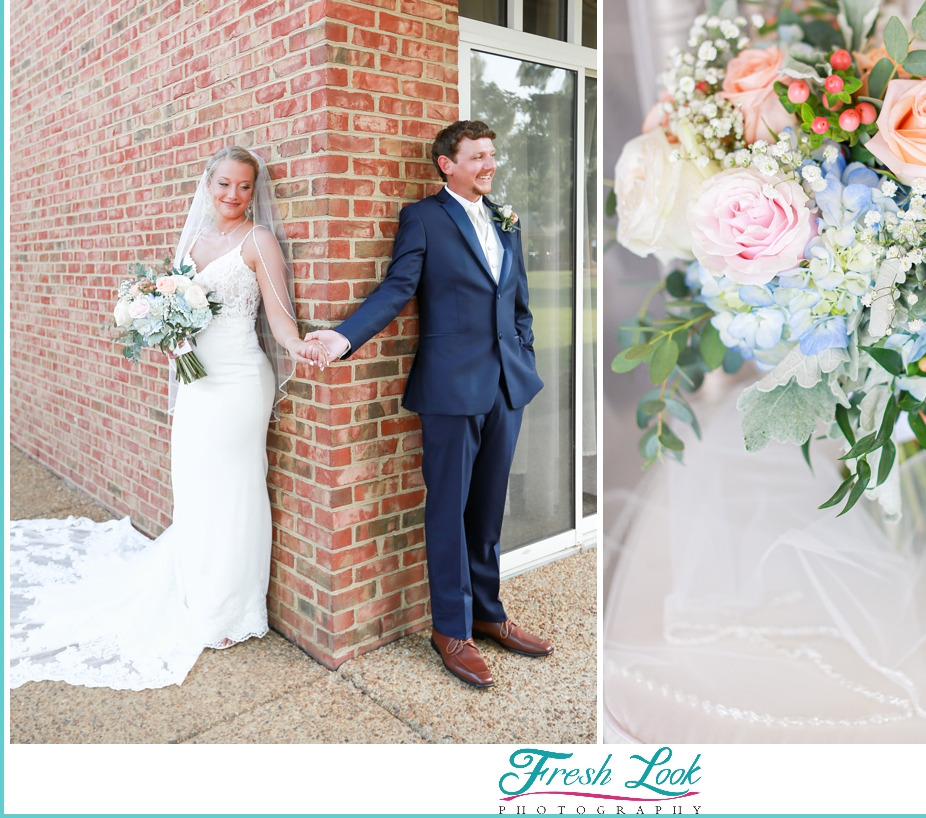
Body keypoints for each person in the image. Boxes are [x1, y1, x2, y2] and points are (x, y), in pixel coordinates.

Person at [9, 146, 328, 690]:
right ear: (208, 184)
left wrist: (301, 345)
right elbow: (175, 307)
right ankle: (194, 584)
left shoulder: (259, 242)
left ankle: (227, 607)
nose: (233, 195)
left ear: (255, 191)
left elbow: (278, 317)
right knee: (196, 486)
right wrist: (163, 328)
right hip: (195, 383)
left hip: (237, 383)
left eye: (244, 187)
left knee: (235, 488)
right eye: (224, 184)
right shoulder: (194, 242)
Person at [306, 119, 552, 689]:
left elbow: (518, 301)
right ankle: (451, 629)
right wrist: (343, 338)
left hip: (506, 386)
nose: (490, 165)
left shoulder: (505, 221)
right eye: (478, 157)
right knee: (448, 508)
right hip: (449, 388)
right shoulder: (423, 218)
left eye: (492, 155)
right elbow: (398, 288)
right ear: (447, 163)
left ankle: (488, 615)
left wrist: (527, 356)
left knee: (490, 507)